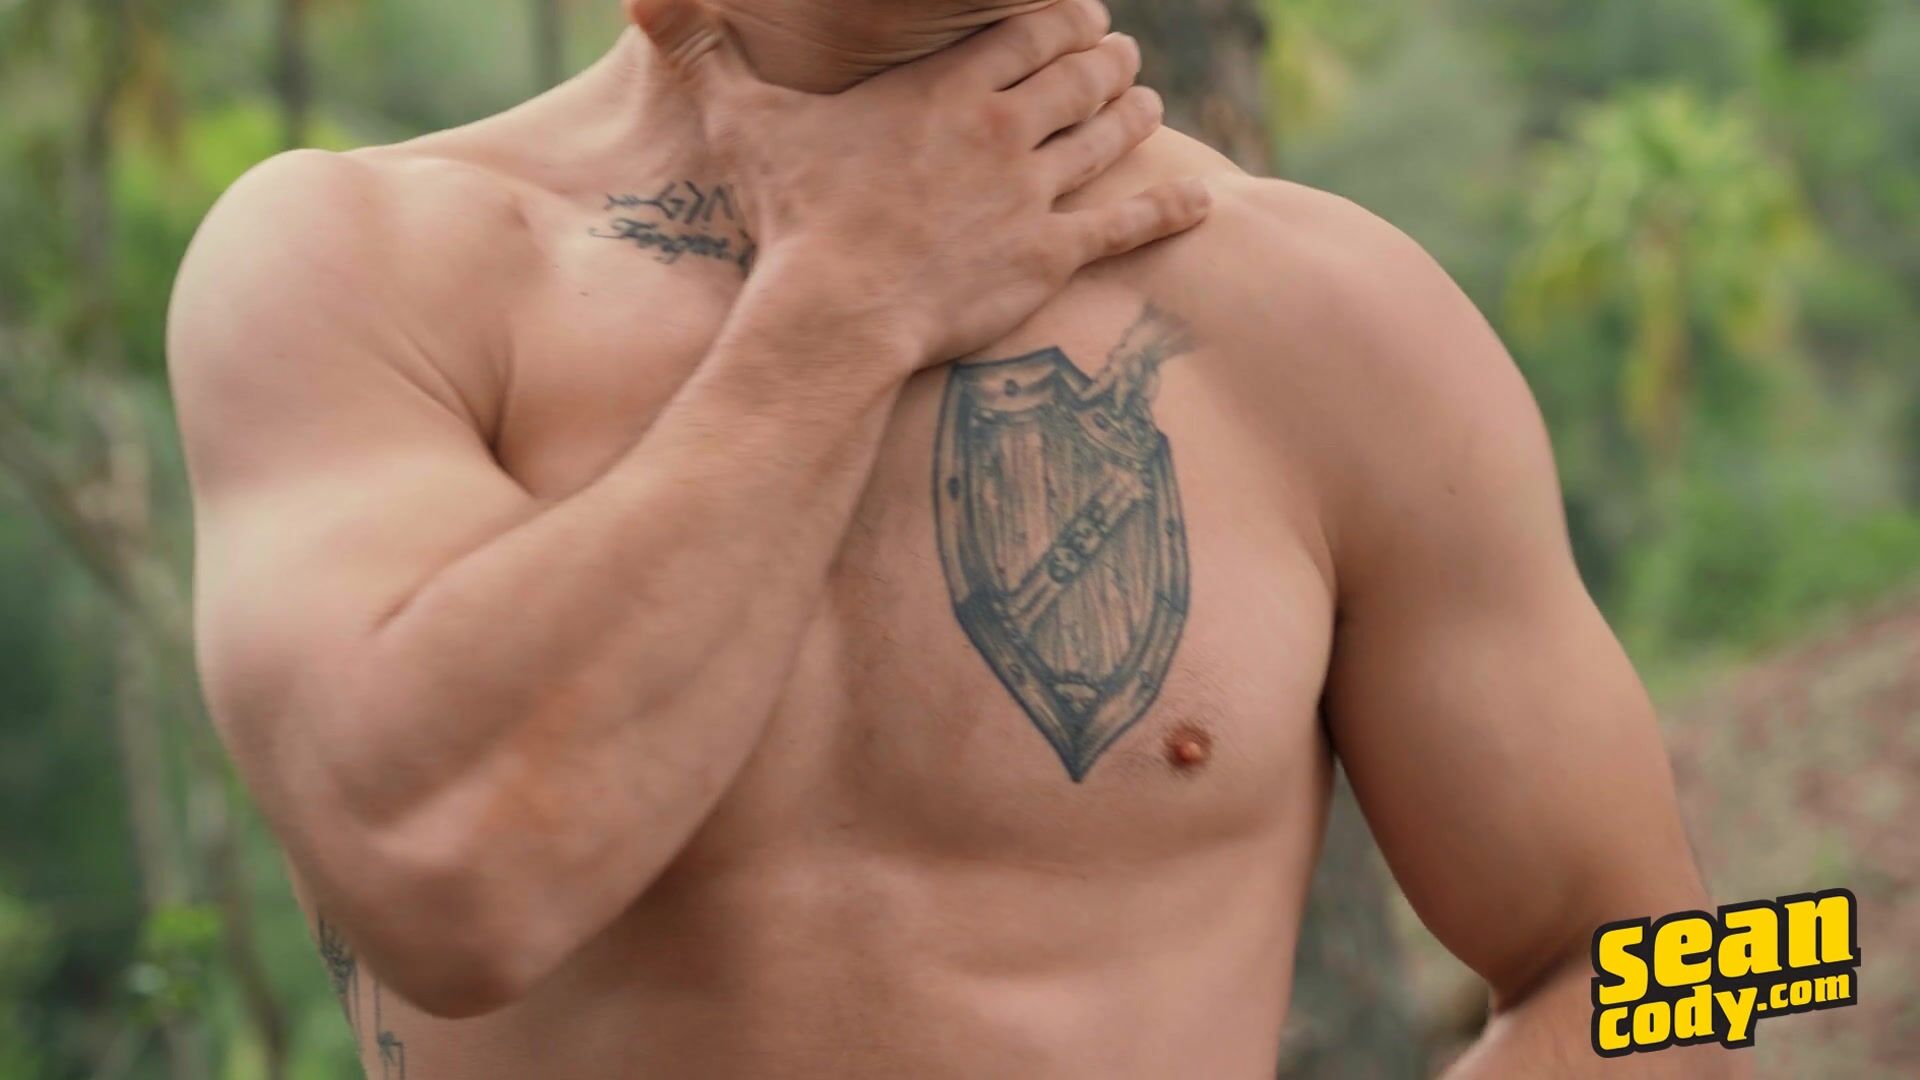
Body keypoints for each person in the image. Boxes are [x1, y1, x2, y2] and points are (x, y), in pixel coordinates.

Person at [167, 0, 1742, 1075]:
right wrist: (841, 315)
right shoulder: (361, 263)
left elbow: (1708, 967)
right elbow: (447, 881)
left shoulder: (1340, 317)